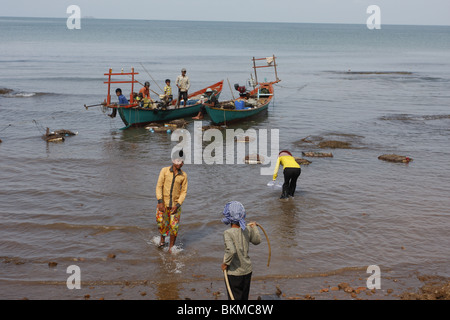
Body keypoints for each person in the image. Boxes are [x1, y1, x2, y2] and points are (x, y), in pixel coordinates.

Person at [221, 201, 261, 300]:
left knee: (233, 297)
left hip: (234, 273)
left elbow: (231, 251)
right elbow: (257, 241)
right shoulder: (247, 229)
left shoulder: (227, 233)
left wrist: (225, 263)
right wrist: (254, 228)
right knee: (244, 297)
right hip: (247, 271)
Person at [155, 156, 188, 253]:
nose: (180, 163)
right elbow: (159, 186)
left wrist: (178, 205)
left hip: (175, 206)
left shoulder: (183, 175)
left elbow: (184, 191)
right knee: (162, 223)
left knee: (174, 227)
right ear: (173, 161)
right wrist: (160, 202)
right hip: (163, 204)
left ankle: (171, 247)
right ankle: (162, 241)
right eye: (178, 161)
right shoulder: (164, 171)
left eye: (182, 162)